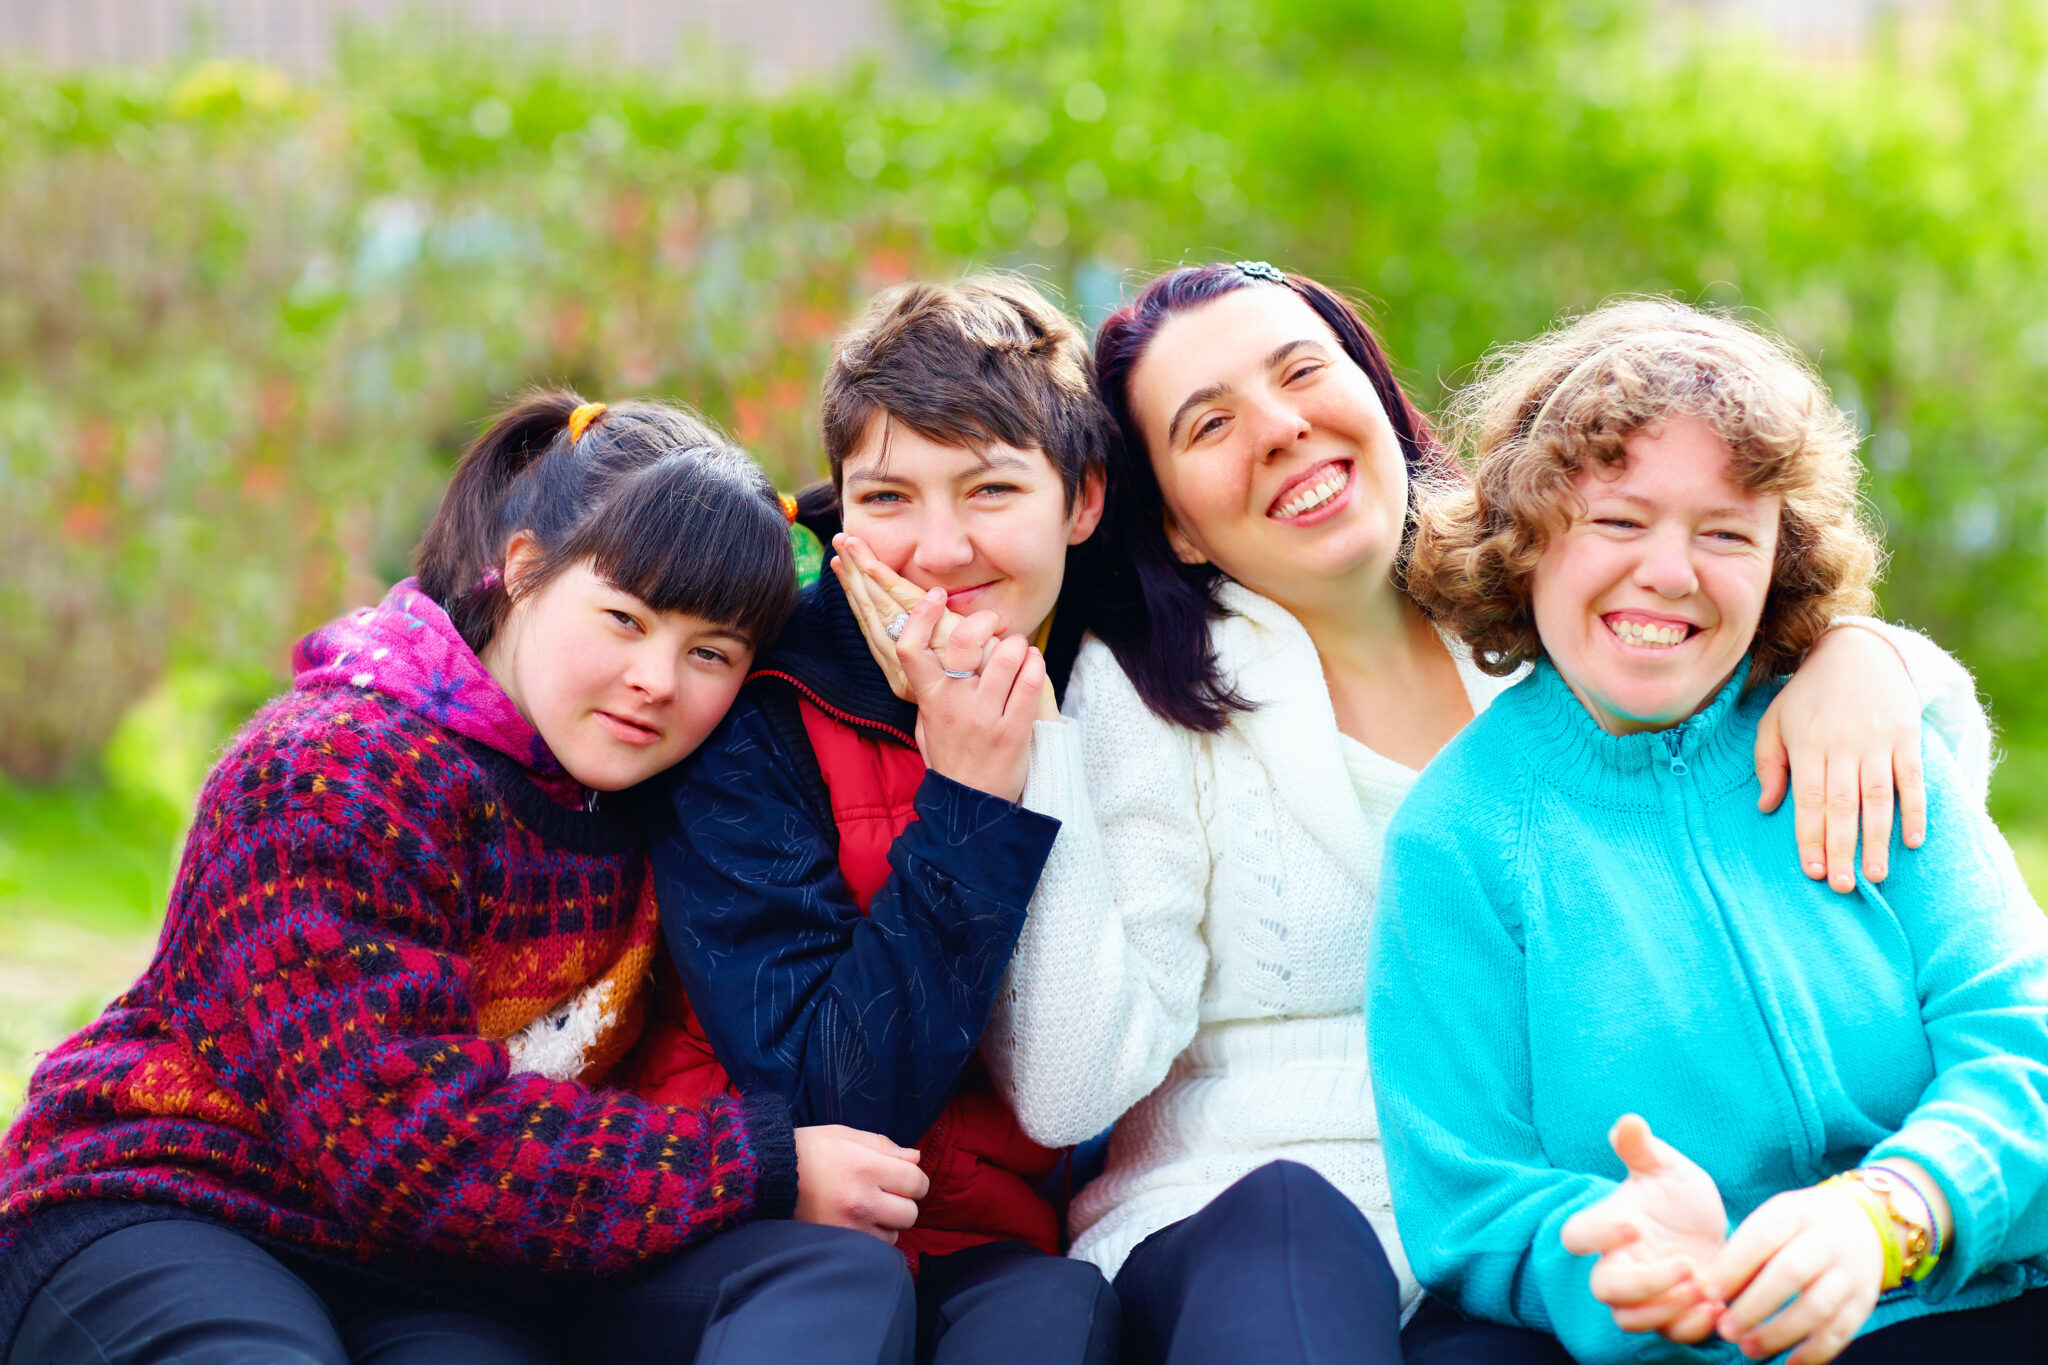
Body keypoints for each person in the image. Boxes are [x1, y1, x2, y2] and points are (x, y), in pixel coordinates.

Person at [971, 263, 1989, 1365]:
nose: (1276, 428)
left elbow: (1889, 767)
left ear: (1372, 394)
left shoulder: (1557, 601)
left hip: (1576, 1204)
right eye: (1207, 422)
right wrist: (1040, 763)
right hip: (1287, 1205)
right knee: (1295, 1238)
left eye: (1301, 371)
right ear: (1172, 523)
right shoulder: (1150, 691)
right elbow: (1066, 1082)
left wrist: (1861, 652)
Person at [0, 390, 931, 1365]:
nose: (659, 678)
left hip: (430, 1266)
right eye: (623, 618)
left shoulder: (645, 803)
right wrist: (760, 1164)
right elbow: (401, 1142)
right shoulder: (334, 770)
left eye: (710, 652)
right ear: (523, 571)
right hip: (173, 1205)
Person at [1372, 299, 2048, 1364]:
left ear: (1778, 559)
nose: (1671, 572)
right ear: (1527, 535)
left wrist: (1889, 1215)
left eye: (1725, 533)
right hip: (1670, 1336)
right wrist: (1619, 1269)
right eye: (1618, 520)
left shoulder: (1862, 738)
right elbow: (1470, 1198)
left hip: (1962, 1288)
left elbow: (2018, 1034)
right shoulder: (1457, 835)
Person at [638, 278, 1120, 1365]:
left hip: (992, 1235)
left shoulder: (1124, 681)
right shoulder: (758, 706)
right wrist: (967, 800)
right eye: (890, 498)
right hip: (758, 1227)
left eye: (991, 490)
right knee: (850, 1293)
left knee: (1054, 1315)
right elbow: (825, 1100)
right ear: (842, 505)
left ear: (1081, 500)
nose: (938, 551)